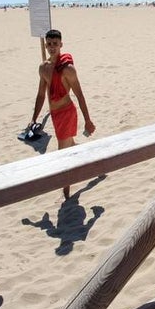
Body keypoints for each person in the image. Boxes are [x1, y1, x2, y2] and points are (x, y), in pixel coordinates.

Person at [28, 29, 96, 198]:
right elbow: (40, 95)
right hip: (56, 116)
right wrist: (34, 118)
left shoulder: (68, 69)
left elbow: (80, 95)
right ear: (46, 45)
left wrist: (88, 120)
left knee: (62, 155)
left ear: (61, 45)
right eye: (49, 44)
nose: (52, 47)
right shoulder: (43, 68)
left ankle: (66, 193)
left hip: (67, 113)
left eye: (55, 44)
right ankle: (96, 160)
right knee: (71, 146)